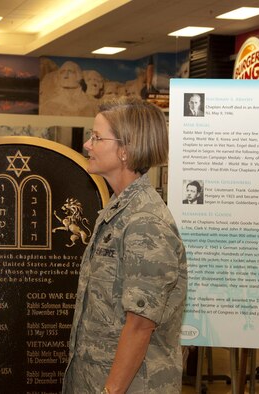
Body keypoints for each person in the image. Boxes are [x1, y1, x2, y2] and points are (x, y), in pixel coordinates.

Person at [63, 97, 187, 393]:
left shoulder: (145, 222)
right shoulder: (118, 211)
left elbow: (140, 325)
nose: (87, 145)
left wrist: (110, 391)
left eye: (96, 137)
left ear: (125, 150)